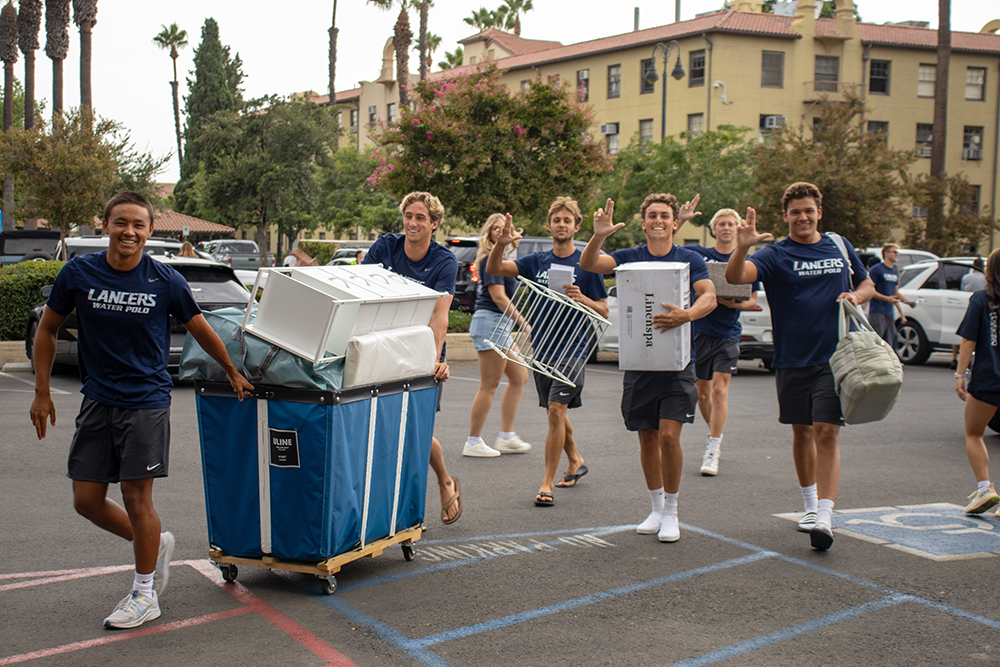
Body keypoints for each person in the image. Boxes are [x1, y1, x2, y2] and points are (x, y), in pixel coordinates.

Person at [29, 192, 254, 630]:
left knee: (136, 495)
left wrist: (230, 369)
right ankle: (155, 543)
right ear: (106, 226)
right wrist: (41, 392)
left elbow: (200, 328)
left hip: (146, 402)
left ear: (151, 231)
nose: (128, 232)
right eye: (120, 223)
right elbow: (48, 328)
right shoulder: (78, 273)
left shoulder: (165, 280)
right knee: (87, 501)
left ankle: (144, 591)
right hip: (97, 399)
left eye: (138, 224)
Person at [726, 182, 874, 551]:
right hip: (792, 357)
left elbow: (867, 282)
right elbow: (734, 278)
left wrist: (856, 295)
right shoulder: (776, 254)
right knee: (802, 432)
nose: (803, 217)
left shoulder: (839, 245)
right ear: (785, 216)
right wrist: (744, 244)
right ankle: (809, 505)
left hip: (836, 356)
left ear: (819, 212)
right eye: (795, 212)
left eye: (809, 210)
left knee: (826, 430)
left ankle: (825, 513)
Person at [580, 194, 716, 542]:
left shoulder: (689, 258)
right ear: (644, 223)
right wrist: (598, 235)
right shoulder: (629, 258)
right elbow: (592, 263)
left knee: (669, 437)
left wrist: (687, 314)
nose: (658, 220)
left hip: (677, 364)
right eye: (652, 215)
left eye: (665, 216)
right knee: (647, 437)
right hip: (640, 365)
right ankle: (655, 508)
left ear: (674, 223)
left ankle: (671, 511)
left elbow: (709, 296)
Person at [487, 197, 608, 508]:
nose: (562, 225)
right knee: (555, 412)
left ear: (576, 226)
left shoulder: (588, 264)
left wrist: (584, 298)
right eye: (557, 220)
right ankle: (576, 459)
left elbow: (604, 310)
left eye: (568, 220)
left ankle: (546, 483)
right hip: (542, 347)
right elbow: (495, 267)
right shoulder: (535, 261)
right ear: (549, 225)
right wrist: (500, 244)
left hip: (574, 347)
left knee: (556, 410)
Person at [362, 191, 462, 525]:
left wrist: (431, 360)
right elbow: (360, 292)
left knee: (416, 429)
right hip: (383, 343)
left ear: (434, 223)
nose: (412, 223)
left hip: (421, 347)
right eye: (408, 215)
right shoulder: (385, 247)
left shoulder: (444, 261)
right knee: (382, 424)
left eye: (420, 217)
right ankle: (377, 507)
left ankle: (444, 480)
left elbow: (439, 314)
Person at [687, 208, 761, 477]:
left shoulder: (743, 260)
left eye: (731, 224)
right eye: (722, 224)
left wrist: (733, 301)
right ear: (713, 228)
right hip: (700, 330)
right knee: (703, 394)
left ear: (738, 227)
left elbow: (753, 300)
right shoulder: (699, 254)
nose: (727, 228)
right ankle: (713, 434)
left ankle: (713, 447)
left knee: (720, 391)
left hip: (728, 332)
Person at [463, 213, 531, 458]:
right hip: (490, 322)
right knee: (489, 385)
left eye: (505, 228)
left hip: (497, 324)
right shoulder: (491, 259)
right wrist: (524, 323)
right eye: (496, 228)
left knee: (519, 376)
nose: (501, 232)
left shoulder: (506, 259)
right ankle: (473, 441)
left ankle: (506, 436)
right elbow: (499, 297)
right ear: (489, 234)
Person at [955, 249, 1000, 515]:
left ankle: (985, 488)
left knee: (974, 433)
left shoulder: (982, 300)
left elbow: (968, 340)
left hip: (988, 379)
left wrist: (960, 375)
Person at [867, 243, 915, 351]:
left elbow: (895, 293)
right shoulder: (876, 269)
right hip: (877, 311)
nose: (897, 254)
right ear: (886, 253)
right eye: (895, 252)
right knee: (877, 341)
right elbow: (870, 290)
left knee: (891, 340)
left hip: (889, 312)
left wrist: (909, 302)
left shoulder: (894, 271)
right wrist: (886, 299)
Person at [952, 257, 987, 368]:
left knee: (965, 333)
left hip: (967, 306)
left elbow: (962, 289)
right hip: (984, 309)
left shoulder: (966, 277)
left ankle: (954, 358)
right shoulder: (984, 279)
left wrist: (959, 375)